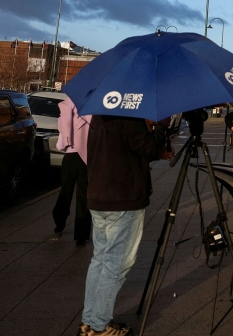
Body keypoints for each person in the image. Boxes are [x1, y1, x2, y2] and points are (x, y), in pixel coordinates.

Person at [79, 114, 173, 336]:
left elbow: (124, 150)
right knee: (116, 264)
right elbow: (146, 148)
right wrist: (161, 126)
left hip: (99, 196)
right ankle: (100, 325)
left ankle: (89, 321)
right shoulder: (129, 117)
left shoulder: (100, 116)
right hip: (123, 200)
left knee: (100, 260)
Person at [52, 97, 91, 245]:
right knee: (84, 196)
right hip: (87, 157)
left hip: (70, 155)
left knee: (65, 191)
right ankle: (81, 235)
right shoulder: (95, 107)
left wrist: (65, 141)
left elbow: (62, 129)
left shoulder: (68, 105)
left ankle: (59, 222)